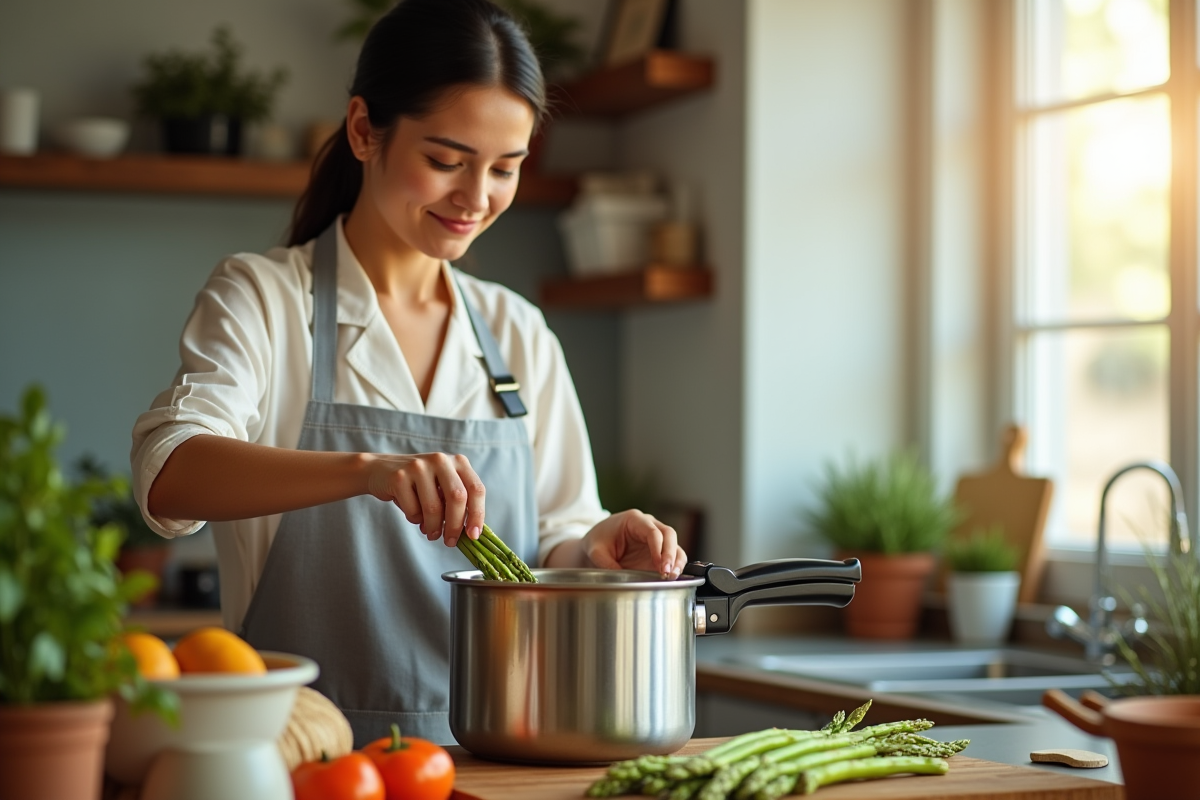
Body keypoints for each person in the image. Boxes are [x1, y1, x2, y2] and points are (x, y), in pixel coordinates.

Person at [130, 0, 687, 746]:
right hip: (305, 760)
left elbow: (557, 536)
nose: (476, 197)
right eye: (446, 161)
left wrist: (594, 549)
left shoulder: (518, 332)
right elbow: (169, 473)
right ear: (364, 130)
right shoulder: (263, 296)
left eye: (506, 168)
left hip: (492, 758)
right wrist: (366, 471)